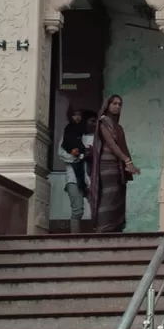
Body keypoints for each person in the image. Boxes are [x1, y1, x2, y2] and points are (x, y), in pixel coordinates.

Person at [90, 94, 136, 234]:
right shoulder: (104, 121)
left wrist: (126, 163)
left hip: (118, 165)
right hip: (107, 164)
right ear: (107, 105)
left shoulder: (118, 126)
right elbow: (111, 143)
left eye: (119, 104)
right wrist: (127, 160)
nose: (117, 106)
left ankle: (114, 228)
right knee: (109, 195)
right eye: (114, 103)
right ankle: (102, 230)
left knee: (117, 194)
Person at [60, 106, 93, 234]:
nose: (77, 117)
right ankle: (75, 239)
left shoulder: (89, 135)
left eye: (79, 115)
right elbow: (61, 153)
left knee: (97, 209)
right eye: (74, 115)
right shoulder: (68, 133)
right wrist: (80, 156)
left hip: (90, 178)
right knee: (77, 210)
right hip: (73, 177)